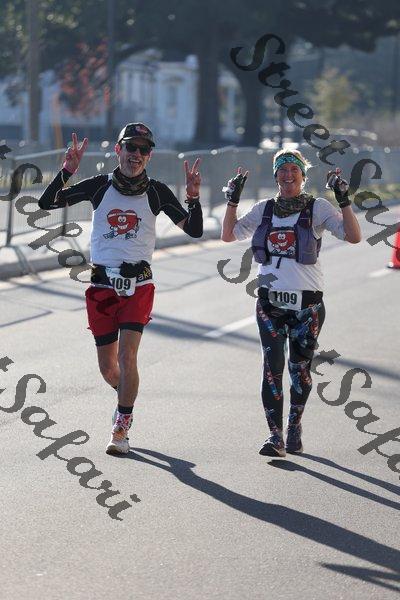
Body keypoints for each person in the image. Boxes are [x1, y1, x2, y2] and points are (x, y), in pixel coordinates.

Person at [38, 123, 203, 455]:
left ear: (149, 156)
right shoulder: (100, 186)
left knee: (128, 357)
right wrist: (67, 171)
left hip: (138, 285)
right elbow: (47, 203)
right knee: (108, 368)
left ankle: (121, 427)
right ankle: (126, 397)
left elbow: (195, 230)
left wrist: (193, 198)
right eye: (131, 147)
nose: (136, 155)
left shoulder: (157, 192)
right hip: (101, 285)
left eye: (144, 150)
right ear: (118, 150)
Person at [221, 148, 361, 457]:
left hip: (307, 306)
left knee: (300, 369)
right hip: (269, 304)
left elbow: (353, 236)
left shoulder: (318, 207)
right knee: (271, 368)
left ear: (302, 176)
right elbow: (228, 235)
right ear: (275, 176)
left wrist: (344, 200)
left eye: (293, 170)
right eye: (282, 170)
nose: (287, 175)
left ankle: (294, 425)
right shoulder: (263, 209)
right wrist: (232, 200)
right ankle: (275, 436)